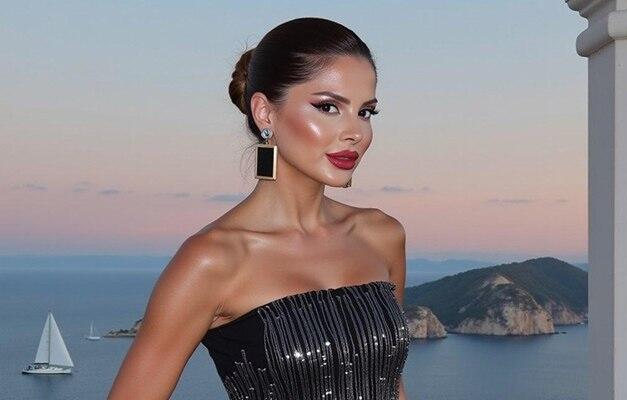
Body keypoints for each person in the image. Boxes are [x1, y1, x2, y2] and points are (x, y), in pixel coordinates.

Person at [108, 16, 410, 400]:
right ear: (265, 112)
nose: (356, 132)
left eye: (365, 112)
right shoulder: (212, 260)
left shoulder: (381, 235)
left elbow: (391, 383)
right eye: (328, 107)